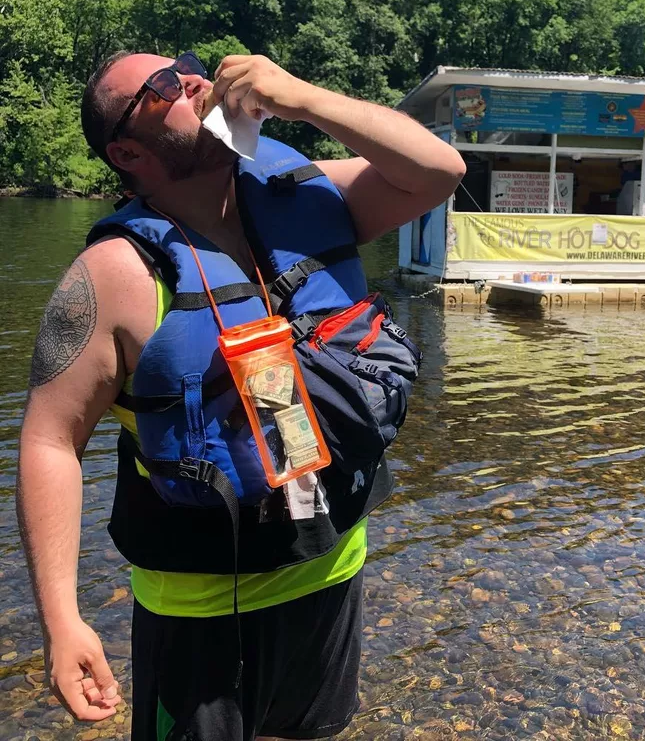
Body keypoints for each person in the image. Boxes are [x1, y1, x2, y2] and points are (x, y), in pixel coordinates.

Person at [16, 51, 465, 741]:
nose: (192, 79)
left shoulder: (307, 197)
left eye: (189, 65)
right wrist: (62, 620)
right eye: (163, 86)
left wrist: (303, 97)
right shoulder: (114, 277)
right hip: (201, 610)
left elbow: (440, 171)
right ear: (128, 150)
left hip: (333, 569)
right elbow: (51, 440)